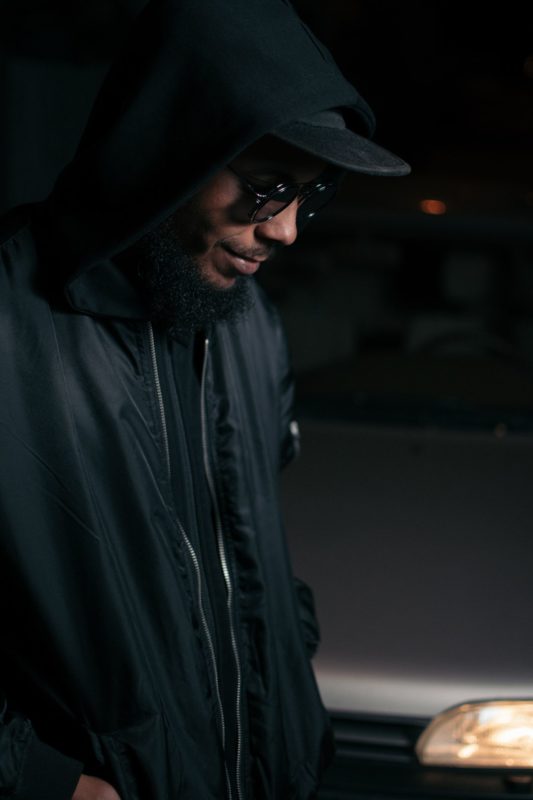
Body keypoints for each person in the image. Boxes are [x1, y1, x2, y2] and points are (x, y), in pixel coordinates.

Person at [0, 0, 409, 798]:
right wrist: (46, 782)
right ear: (166, 152)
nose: (286, 230)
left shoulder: (246, 321)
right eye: (265, 189)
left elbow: (252, 555)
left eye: (309, 195)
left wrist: (291, 700)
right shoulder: (10, 321)